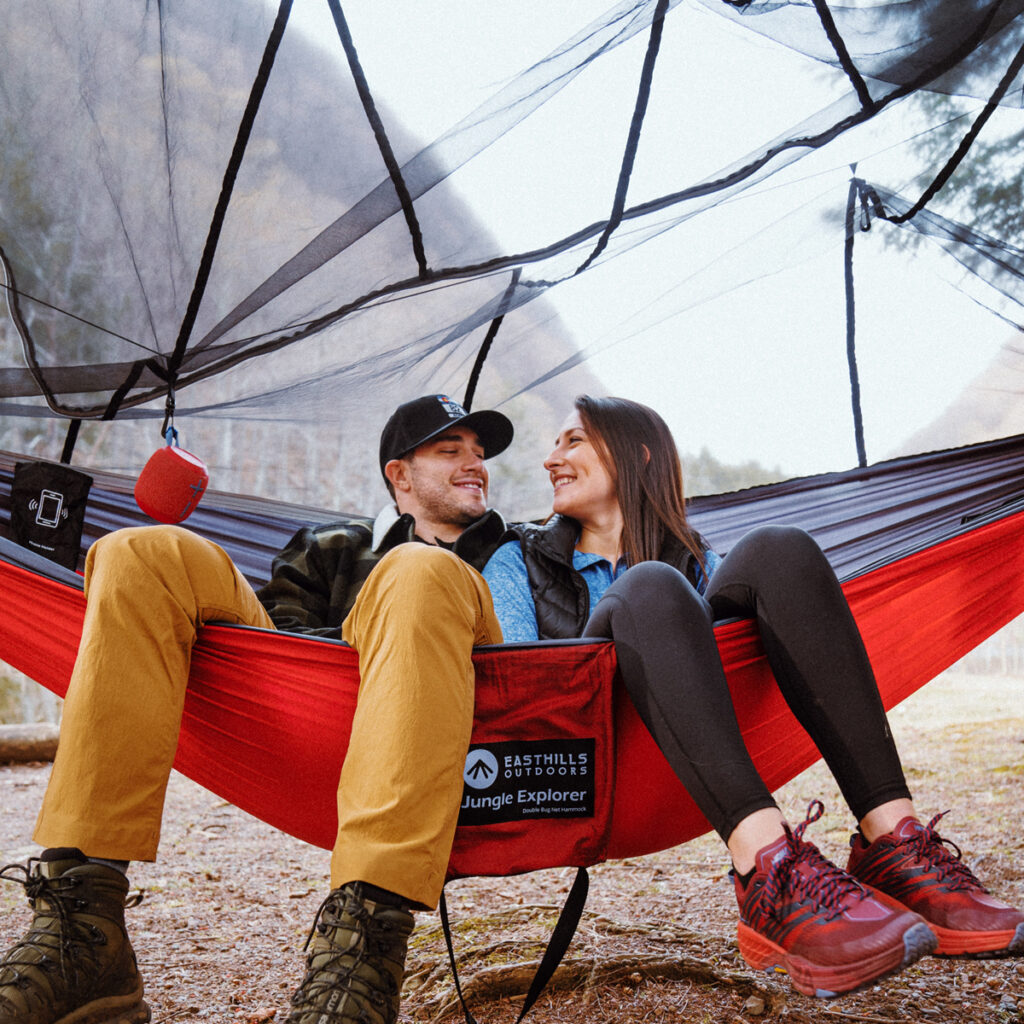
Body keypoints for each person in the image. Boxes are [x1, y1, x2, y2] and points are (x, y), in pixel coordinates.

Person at [483, 394, 1024, 998]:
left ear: (635, 455)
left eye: (572, 440)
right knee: (651, 585)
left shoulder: (695, 561)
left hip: (693, 754)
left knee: (778, 548)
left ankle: (894, 845)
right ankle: (768, 873)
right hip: (591, 756)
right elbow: (520, 690)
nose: (551, 458)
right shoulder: (518, 558)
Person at [0, 394, 515, 1024]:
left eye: (480, 453)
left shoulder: (518, 555)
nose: (475, 464)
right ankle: (82, 927)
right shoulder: (331, 546)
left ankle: (364, 953)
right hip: (308, 714)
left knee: (421, 569)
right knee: (136, 553)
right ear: (400, 475)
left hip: (452, 737)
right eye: (451, 449)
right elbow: (280, 645)